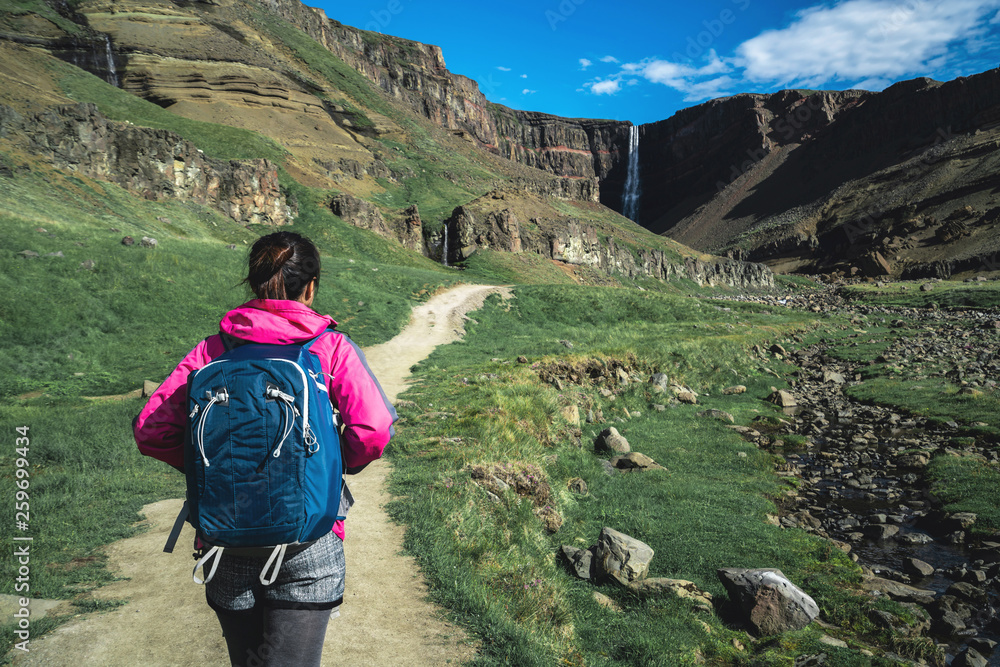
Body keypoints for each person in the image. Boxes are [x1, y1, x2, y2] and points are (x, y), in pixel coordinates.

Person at [133, 231, 396, 667]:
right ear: (310, 286)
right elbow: (373, 430)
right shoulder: (328, 346)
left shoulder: (213, 350)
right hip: (309, 542)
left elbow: (151, 431)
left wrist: (214, 467)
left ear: (254, 283)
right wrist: (326, 464)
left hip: (225, 540)